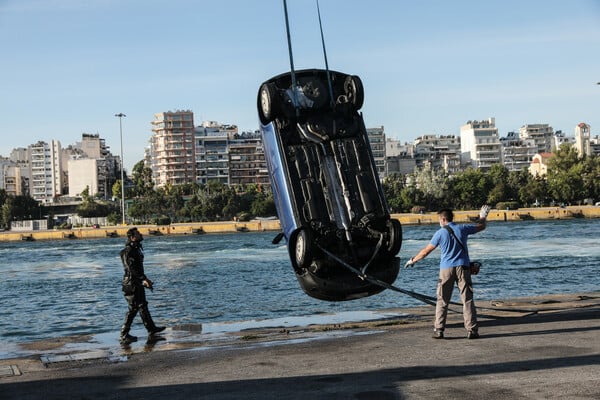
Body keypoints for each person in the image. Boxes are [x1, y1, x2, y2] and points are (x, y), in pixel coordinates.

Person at [404, 205, 490, 339]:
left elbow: (426, 251)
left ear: (443, 219)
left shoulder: (440, 233)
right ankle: (472, 330)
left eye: (439, 219)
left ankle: (439, 330)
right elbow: (481, 226)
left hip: (446, 269)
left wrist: (413, 260)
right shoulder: (462, 229)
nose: (439, 222)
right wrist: (483, 215)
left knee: (442, 300)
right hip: (463, 267)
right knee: (467, 299)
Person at [119, 227, 165, 344]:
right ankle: (124, 334)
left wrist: (143, 280)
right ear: (133, 237)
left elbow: (137, 269)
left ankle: (151, 329)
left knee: (142, 306)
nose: (141, 235)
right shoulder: (128, 251)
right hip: (131, 284)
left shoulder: (136, 249)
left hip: (136, 282)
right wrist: (144, 279)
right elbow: (131, 269)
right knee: (133, 308)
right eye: (138, 234)